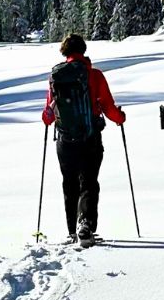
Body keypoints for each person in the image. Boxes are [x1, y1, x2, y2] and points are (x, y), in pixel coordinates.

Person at [41, 33, 125, 243]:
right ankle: (85, 225)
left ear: (65, 52)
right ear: (83, 51)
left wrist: (49, 119)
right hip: (90, 138)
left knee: (69, 183)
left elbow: (48, 115)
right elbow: (107, 106)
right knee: (88, 182)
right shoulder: (94, 75)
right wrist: (119, 118)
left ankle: (72, 230)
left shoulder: (55, 77)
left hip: (65, 140)